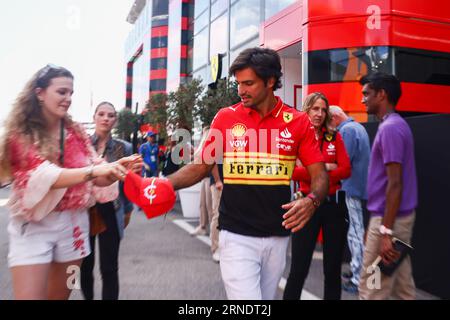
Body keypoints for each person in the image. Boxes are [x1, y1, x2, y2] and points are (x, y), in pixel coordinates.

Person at [148, 47, 329, 300]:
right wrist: (163, 183)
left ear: (270, 81)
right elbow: (201, 166)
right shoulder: (225, 118)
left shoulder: (298, 121)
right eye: (238, 83)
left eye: (248, 83)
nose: (240, 90)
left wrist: (313, 201)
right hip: (236, 235)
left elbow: (320, 175)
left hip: (278, 236)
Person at [0, 65, 138, 299]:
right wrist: (95, 170)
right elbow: (42, 175)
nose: (68, 99)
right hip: (32, 226)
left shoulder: (76, 132)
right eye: (62, 92)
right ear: (40, 93)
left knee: (62, 295)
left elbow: (98, 177)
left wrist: (115, 171)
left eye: (71, 93)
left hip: (75, 227)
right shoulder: (20, 132)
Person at [283, 92, 351, 300]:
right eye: (315, 109)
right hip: (304, 204)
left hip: (332, 207)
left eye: (323, 110)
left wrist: (315, 170)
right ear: (307, 110)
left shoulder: (334, 137)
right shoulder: (297, 136)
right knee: (298, 269)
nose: (320, 114)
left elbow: (346, 169)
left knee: (332, 271)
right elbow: (291, 171)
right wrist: (325, 168)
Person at [358, 72, 418, 300]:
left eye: (367, 94)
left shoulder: (390, 129)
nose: (362, 99)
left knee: (372, 286)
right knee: (403, 287)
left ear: (381, 95)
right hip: (392, 220)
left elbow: (395, 184)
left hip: (389, 222)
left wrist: (384, 232)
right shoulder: (394, 125)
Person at [80, 101, 140, 300]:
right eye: (102, 114)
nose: (106, 118)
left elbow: (130, 183)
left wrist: (128, 210)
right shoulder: (82, 145)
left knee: (109, 267)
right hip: (83, 211)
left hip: (112, 209)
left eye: (111, 115)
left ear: (115, 120)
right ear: (94, 117)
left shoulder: (124, 147)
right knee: (84, 267)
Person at [329, 105, 370, 294]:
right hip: (357, 187)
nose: (330, 126)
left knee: (355, 233)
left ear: (336, 117)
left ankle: (358, 278)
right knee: (357, 231)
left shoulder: (347, 131)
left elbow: (341, 161)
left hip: (351, 188)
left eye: (330, 121)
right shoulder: (358, 128)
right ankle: (357, 271)